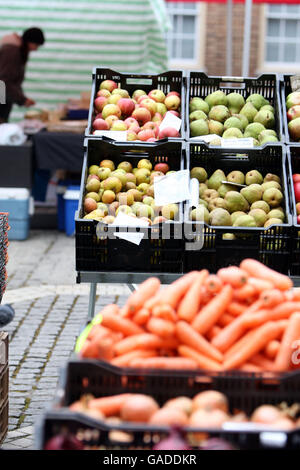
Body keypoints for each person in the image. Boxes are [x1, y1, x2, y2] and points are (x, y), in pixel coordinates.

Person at [0, 27, 45, 123]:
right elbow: (4, 80)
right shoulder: (12, 52)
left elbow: (11, 80)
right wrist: (22, 99)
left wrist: (22, 98)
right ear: (29, 41)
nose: (36, 49)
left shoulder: (16, 50)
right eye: (36, 45)